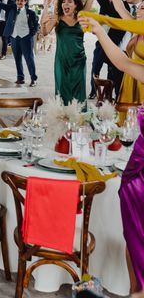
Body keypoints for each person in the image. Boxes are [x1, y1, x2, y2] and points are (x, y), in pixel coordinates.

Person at [78, 16, 144, 293]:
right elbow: (123, 63)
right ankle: (136, 288)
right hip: (138, 165)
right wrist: (98, 32)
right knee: (136, 236)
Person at [41, 0, 95, 104]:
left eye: (70, 1)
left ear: (76, 5)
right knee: (62, 91)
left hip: (79, 60)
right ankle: (63, 117)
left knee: (78, 91)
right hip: (62, 61)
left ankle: (79, 118)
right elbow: (44, 33)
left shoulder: (82, 16)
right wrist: (43, 24)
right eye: (64, 2)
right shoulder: (57, 18)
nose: (66, 4)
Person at [91, 0, 144, 99]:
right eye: (140, 8)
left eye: (143, 8)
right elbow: (120, 8)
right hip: (130, 76)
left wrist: (101, 23)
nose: (139, 11)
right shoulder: (135, 25)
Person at [0, 0, 39, 86]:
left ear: (25, 2)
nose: (19, 2)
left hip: (25, 38)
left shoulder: (31, 13)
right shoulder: (11, 9)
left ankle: (33, 79)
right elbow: (2, 5)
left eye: (21, 1)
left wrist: (31, 34)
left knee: (29, 59)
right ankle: (20, 78)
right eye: (18, 0)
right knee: (17, 59)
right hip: (14, 37)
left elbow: (36, 25)